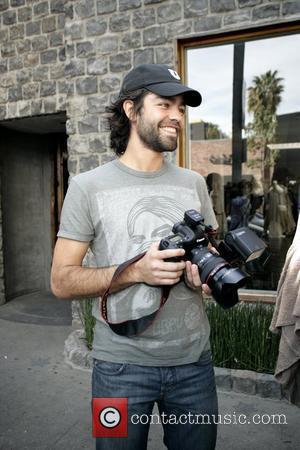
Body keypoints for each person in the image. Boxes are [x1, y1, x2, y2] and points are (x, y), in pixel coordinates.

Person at [51, 64, 219, 450]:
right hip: (118, 368)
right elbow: (61, 281)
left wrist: (201, 277)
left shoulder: (194, 183)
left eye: (181, 107)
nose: (176, 116)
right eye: (164, 104)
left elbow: (208, 253)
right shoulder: (87, 187)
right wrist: (135, 272)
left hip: (194, 363)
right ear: (131, 110)